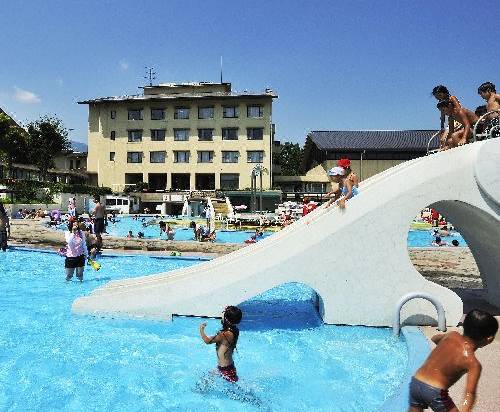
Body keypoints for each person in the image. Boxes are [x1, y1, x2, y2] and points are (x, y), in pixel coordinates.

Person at [409, 309, 498, 412]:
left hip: (416, 382)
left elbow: (435, 338)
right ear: (489, 339)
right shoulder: (472, 363)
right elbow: (470, 394)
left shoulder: (452, 335)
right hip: (435, 391)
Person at [199, 306, 243, 383]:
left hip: (227, 370)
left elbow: (207, 341)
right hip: (225, 367)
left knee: (234, 392)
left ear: (227, 320)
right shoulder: (235, 330)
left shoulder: (225, 334)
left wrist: (201, 329)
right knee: (205, 381)